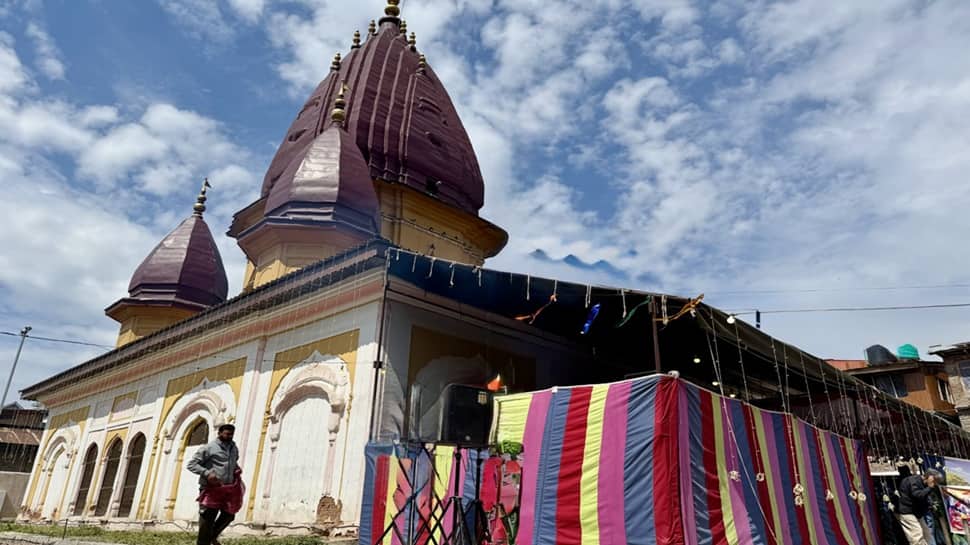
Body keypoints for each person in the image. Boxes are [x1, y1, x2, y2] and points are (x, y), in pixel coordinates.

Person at [187, 424, 240, 545]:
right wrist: (207, 473)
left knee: (229, 515)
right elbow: (192, 464)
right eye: (227, 434)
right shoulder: (209, 448)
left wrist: (236, 470)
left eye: (231, 434)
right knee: (207, 520)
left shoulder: (234, 448)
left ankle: (212, 537)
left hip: (227, 489)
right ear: (220, 433)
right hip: (210, 489)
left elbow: (233, 462)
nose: (229, 436)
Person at [898, 466, 938, 545]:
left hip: (916, 513)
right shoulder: (913, 482)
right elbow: (917, 495)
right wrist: (929, 487)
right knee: (917, 535)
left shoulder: (921, 483)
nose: (934, 484)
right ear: (930, 478)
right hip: (908, 513)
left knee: (927, 534)